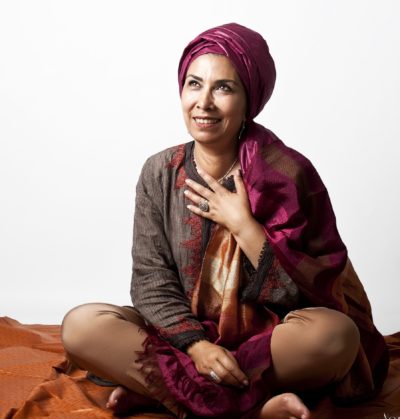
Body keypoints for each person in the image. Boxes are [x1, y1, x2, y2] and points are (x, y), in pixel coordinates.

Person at [61, 23, 389, 418]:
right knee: (82, 325)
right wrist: (197, 346)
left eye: (224, 88)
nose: (204, 103)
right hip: (182, 339)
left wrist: (244, 227)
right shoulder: (159, 171)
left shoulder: (287, 175)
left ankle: (166, 392)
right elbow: (150, 280)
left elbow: (308, 292)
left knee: (335, 336)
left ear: (249, 99)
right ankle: (257, 408)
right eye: (194, 84)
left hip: (270, 343)